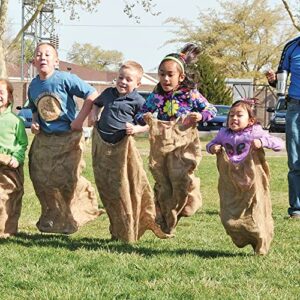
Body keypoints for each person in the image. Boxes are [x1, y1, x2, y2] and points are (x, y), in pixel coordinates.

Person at [135, 43, 217, 234]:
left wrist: (200, 116)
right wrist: (145, 117)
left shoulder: (190, 94)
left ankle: (189, 198)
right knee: (164, 182)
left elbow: (210, 109)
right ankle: (165, 217)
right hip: (162, 145)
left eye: (170, 74)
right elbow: (142, 113)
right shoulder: (157, 96)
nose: (165, 78)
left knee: (180, 179)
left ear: (181, 77)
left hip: (184, 145)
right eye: (161, 73)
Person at [91, 60, 171, 242]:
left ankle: (130, 227)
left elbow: (149, 124)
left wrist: (136, 129)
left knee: (125, 186)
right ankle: (116, 227)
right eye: (120, 78)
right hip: (103, 146)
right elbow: (96, 104)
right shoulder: (108, 93)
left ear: (138, 84)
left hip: (123, 147)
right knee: (108, 188)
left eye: (129, 79)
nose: (123, 82)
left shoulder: (138, 101)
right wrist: (94, 113)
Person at [28, 42, 102, 234]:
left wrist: (79, 121)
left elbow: (92, 94)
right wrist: (35, 123)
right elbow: (35, 110)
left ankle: (74, 214)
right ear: (34, 61)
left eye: (47, 54)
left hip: (69, 137)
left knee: (67, 180)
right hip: (46, 139)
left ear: (56, 61)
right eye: (38, 54)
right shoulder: (33, 86)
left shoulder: (65, 79)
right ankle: (52, 216)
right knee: (42, 179)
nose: (42, 57)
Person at [206, 99, 284, 255]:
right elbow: (209, 145)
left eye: (239, 115)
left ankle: (260, 242)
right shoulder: (223, 134)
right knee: (228, 218)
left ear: (251, 120)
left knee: (255, 213)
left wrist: (261, 142)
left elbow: (279, 144)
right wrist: (212, 147)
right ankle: (243, 236)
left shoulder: (254, 132)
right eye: (231, 115)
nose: (234, 118)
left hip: (252, 183)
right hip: (231, 182)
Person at [266, 35, 300, 219]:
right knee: (295, 162)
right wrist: (272, 79)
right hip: (295, 107)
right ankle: (297, 209)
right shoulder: (291, 47)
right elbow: (280, 81)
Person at [0, 78, 28, 237]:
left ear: (10, 97)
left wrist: (16, 158)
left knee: (8, 198)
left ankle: (7, 230)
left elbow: (22, 144)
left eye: (1, 93)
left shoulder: (15, 121)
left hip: (9, 166)